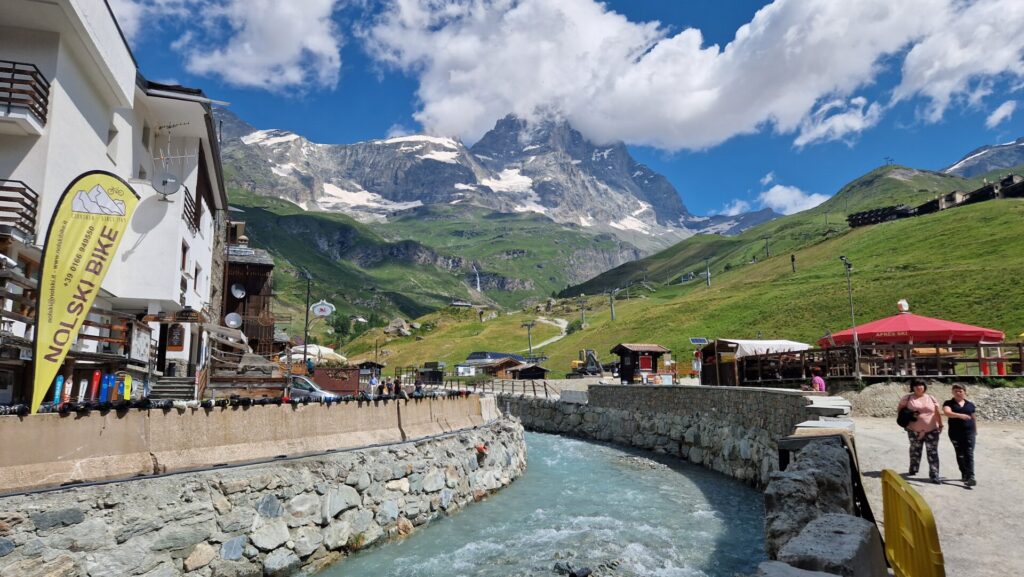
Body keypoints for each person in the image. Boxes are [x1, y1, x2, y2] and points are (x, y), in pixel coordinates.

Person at [897, 379, 944, 483]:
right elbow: (900, 410)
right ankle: (913, 468)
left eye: (921, 385)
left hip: (931, 429)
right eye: (916, 385)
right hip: (914, 430)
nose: (919, 387)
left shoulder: (931, 398)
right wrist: (905, 422)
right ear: (912, 387)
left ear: (924, 387)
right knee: (915, 450)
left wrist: (940, 424)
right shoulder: (907, 398)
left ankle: (934, 474)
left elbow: (937, 412)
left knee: (932, 452)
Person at [942, 384, 977, 487]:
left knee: (969, 453)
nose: (958, 393)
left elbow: (973, 417)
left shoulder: (970, 404)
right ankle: (964, 473)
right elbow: (947, 413)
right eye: (956, 391)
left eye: (960, 391)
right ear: (952, 392)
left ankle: (971, 477)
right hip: (955, 433)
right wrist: (959, 415)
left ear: (965, 392)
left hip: (969, 433)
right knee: (960, 454)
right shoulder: (948, 403)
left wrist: (975, 430)